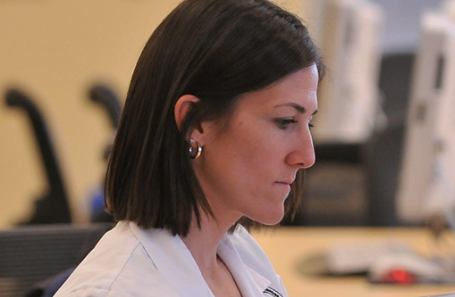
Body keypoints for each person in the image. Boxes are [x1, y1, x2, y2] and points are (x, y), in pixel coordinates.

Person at [55, 0, 324, 296]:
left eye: (307, 123)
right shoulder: (114, 291)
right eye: (285, 121)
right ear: (195, 123)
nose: (306, 157)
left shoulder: (241, 256)